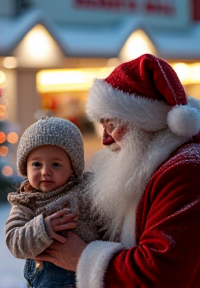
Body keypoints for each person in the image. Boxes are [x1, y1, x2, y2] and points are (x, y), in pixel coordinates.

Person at [34, 54, 200, 288]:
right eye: (102, 126)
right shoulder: (153, 166)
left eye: (112, 126)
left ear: (145, 122)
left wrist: (82, 257)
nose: (105, 139)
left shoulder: (186, 171)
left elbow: (165, 272)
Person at [5, 117, 101, 288]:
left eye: (56, 164)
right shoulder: (27, 202)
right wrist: (43, 229)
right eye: (36, 164)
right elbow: (14, 240)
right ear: (25, 168)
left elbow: (108, 227)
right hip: (46, 279)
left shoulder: (86, 193)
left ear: (73, 168)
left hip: (86, 276)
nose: (45, 172)